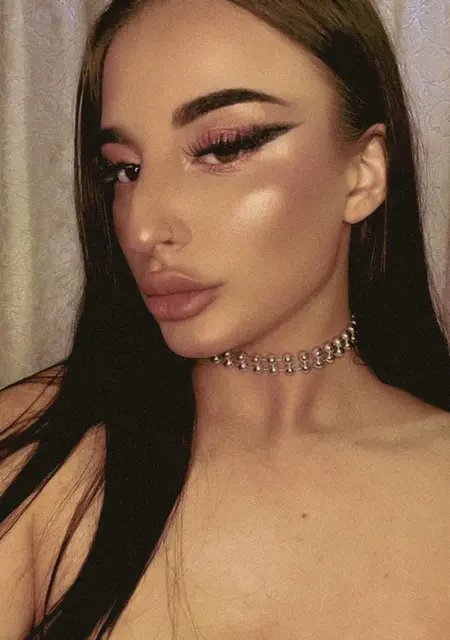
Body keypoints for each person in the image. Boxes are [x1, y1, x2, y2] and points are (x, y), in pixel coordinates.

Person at [1, 0, 450, 637]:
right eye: (125, 169)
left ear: (362, 175)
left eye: (222, 148)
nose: (144, 227)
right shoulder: (31, 459)